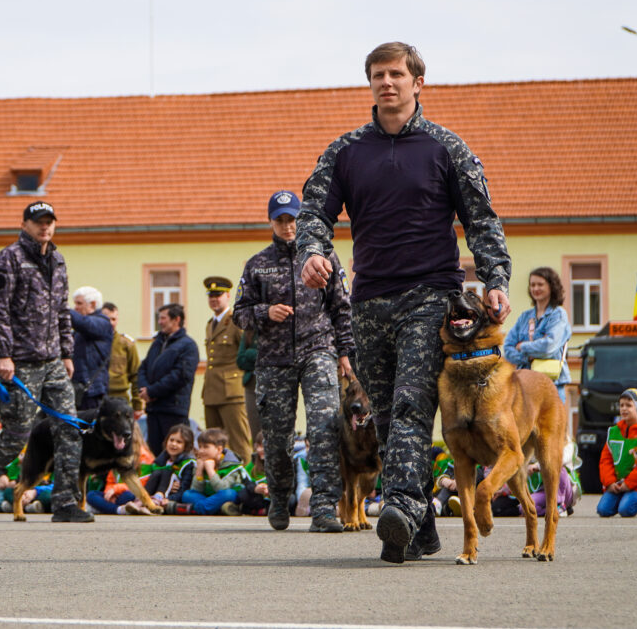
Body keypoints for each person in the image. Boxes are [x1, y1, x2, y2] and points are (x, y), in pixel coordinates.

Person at [295, 42, 512, 563]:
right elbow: (314, 215)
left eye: (396, 73)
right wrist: (311, 252)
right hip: (369, 299)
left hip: (431, 296)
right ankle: (422, 530)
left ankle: (402, 505)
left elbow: (481, 218)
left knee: (414, 402)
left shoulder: (445, 148)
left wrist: (495, 277)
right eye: (377, 74)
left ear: (418, 83)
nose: (386, 82)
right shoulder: (345, 151)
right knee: (385, 416)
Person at [0, 200, 92, 523]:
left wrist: (67, 353)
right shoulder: (8, 258)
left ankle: (66, 502)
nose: (45, 227)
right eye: (39, 222)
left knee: (68, 428)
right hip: (21, 361)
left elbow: (61, 312)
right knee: (16, 435)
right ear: (25, 224)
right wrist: (3, 353)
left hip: (53, 359)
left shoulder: (57, 259)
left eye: (50, 221)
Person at [235, 190, 355, 533]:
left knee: (324, 428)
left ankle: (324, 508)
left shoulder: (323, 257)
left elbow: (341, 308)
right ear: (272, 222)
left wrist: (344, 352)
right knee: (276, 438)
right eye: (281, 220)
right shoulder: (257, 264)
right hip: (273, 360)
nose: (288, 227)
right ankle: (278, 497)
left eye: (293, 219)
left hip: (318, 350)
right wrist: (265, 312)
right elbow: (239, 314)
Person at [138, 303, 200, 457]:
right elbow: (143, 367)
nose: (160, 322)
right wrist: (144, 389)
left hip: (173, 409)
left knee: (176, 453)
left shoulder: (188, 346)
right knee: (156, 453)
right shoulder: (157, 343)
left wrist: (152, 391)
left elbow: (180, 376)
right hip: (154, 408)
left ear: (176, 320)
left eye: (163, 318)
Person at [201, 276, 252, 463]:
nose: (214, 299)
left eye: (218, 295)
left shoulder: (235, 321)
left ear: (228, 296)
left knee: (238, 440)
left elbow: (248, 349)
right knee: (212, 442)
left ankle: (246, 478)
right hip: (211, 390)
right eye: (211, 295)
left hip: (232, 391)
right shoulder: (210, 324)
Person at [503, 267, 572, 403]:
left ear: (551, 286)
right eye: (532, 285)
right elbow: (507, 349)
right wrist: (529, 358)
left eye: (540, 284)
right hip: (524, 385)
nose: (535, 288)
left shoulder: (558, 314)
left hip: (551, 385)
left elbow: (549, 347)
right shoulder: (525, 317)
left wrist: (522, 346)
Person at [597, 388, 637, 518]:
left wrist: (628, 484)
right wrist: (610, 483)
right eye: (621, 405)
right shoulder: (614, 432)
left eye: (629, 405)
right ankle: (624, 498)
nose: (623, 409)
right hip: (619, 484)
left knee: (626, 510)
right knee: (603, 510)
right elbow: (606, 460)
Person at [176, 427, 248, 516]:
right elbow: (196, 490)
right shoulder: (200, 462)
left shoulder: (232, 465)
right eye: (200, 447)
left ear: (219, 449)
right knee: (187, 494)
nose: (201, 451)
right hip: (208, 497)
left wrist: (210, 470)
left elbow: (222, 488)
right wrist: (199, 471)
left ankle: (197, 508)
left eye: (206, 447)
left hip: (223, 496)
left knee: (229, 494)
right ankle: (219, 509)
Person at [69, 285, 114, 412]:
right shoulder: (79, 330)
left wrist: (61, 305)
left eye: (79, 303)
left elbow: (84, 323)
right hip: (80, 389)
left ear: (93, 304)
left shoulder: (103, 323)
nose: (75, 307)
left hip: (93, 391)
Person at [143, 423, 196, 513]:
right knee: (158, 472)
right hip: (156, 492)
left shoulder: (188, 464)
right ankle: (142, 500)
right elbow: (152, 480)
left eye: (179, 442)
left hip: (173, 497)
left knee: (167, 472)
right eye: (171, 440)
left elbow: (185, 488)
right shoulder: (160, 461)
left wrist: (169, 498)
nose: (173, 444)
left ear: (186, 446)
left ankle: (156, 500)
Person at [102, 302, 143, 412]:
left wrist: (137, 405)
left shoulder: (126, 344)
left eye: (114, 319)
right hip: (95, 399)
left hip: (120, 399)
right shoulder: (89, 342)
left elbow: (136, 375)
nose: (111, 323)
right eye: (107, 319)